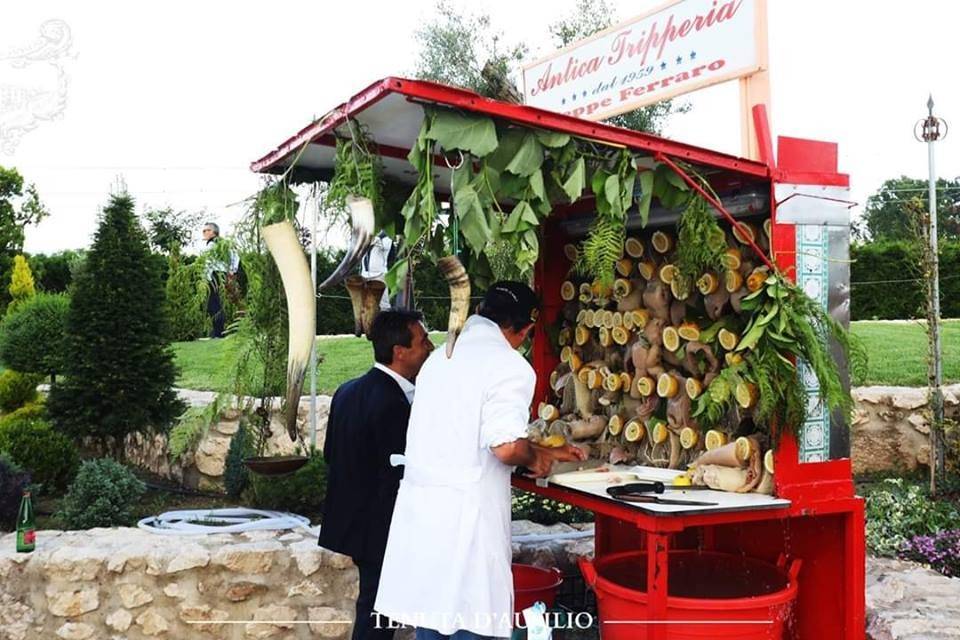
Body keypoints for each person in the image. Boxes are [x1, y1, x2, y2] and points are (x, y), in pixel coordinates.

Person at [375, 282, 587, 640]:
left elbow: (463, 433)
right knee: (470, 622)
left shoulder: (441, 358)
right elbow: (504, 447)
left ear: (481, 314)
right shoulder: (508, 365)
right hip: (465, 523)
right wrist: (536, 457)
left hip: (425, 516)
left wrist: (545, 451)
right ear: (525, 330)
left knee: (434, 619)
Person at [319, 309, 435, 640]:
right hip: (381, 526)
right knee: (378, 612)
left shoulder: (347, 390)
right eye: (422, 340)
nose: (429, 347)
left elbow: (330, 454)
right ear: (400, 351)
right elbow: (401, 471)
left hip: (355, 520)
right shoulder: (393, 403)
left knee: (374, 604)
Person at [201, 222, 239, 339]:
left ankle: (219, 333)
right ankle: (216, 332)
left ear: (213, 232)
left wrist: (232, 271)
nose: (204, 233)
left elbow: (235, 256)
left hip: (216, 275)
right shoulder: (214, 244)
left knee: (215, 304)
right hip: (213, 275)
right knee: (212, 304)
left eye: (206, 230)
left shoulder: (217, 243)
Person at [360, 231, 393, 311]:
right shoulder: (365, 235)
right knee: (365, 304)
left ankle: (387, 322)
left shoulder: (386, 236)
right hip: (365, 275)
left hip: (379, 275)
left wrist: (375, 239)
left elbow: (385, 246)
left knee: (383, 304)